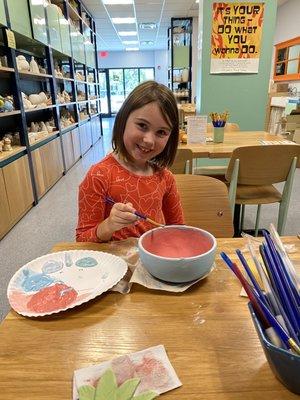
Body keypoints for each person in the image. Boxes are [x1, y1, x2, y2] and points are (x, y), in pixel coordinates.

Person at [76, 80, 184, 242]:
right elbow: (82, 240)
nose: (148, 140)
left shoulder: (166, 178)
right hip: (112, 264)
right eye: (142, 125)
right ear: (123, 119)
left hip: (153, 264)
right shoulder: (98, 176)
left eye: (161, 132)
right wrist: (109, 225)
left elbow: (178, 231)